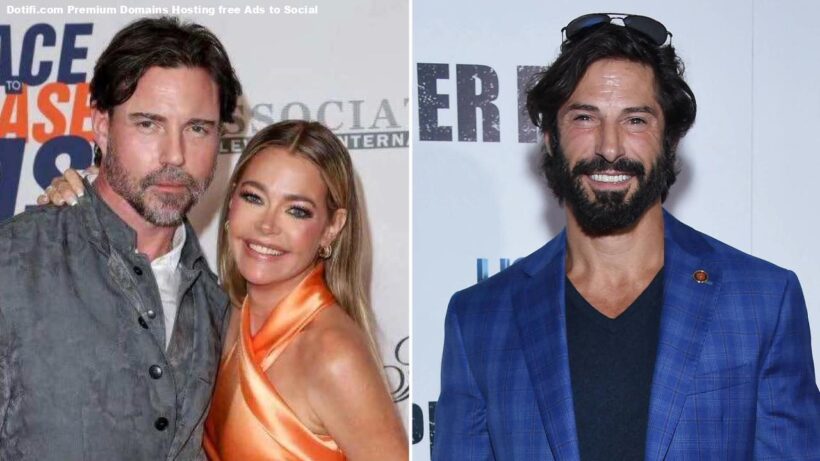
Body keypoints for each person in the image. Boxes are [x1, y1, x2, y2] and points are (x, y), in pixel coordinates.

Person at [433, 13, 820, 460]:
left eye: (635, 120)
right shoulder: (479, 318)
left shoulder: (762, 301)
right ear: (551, 138)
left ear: (669, 140)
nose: (610, 147)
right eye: (584, 118)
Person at [40, 121, 408, 460]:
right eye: (254, 197)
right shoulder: (214, 312)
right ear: (231, 202)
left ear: (332, 227)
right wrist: (84, 203)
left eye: (297, 211)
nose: (266, 226)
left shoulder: (332, 353)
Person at [0, 17, 242, 459]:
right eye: (149, 124)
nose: (175, 155)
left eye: (198, 128)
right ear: (102, 126)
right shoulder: (14, 267)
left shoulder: (218, 311)